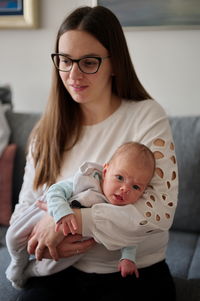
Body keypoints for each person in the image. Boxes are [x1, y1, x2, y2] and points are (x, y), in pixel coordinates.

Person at [7, 5, 178, 301]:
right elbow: (24, 209)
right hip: (57, 271)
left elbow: (157, 214)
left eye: (88, 62)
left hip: (132, 274)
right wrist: (49, 239)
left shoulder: (146, 117)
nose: (73, 74)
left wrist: (71, 220)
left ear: (114, 63)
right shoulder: (45, 132)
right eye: (64, 61)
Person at [6, 141, 155, 288]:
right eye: (120, 178)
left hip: (76, 244)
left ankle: (29, 272)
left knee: (50, 267)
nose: (125, 189)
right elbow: (55, 191)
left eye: (135, 187)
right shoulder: (87, 179)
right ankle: (18, 262)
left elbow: (128, 233)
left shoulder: (125, 209)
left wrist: (128, 258)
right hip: (48, 214)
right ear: (105, 172)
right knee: (13, 237)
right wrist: (61, 212)